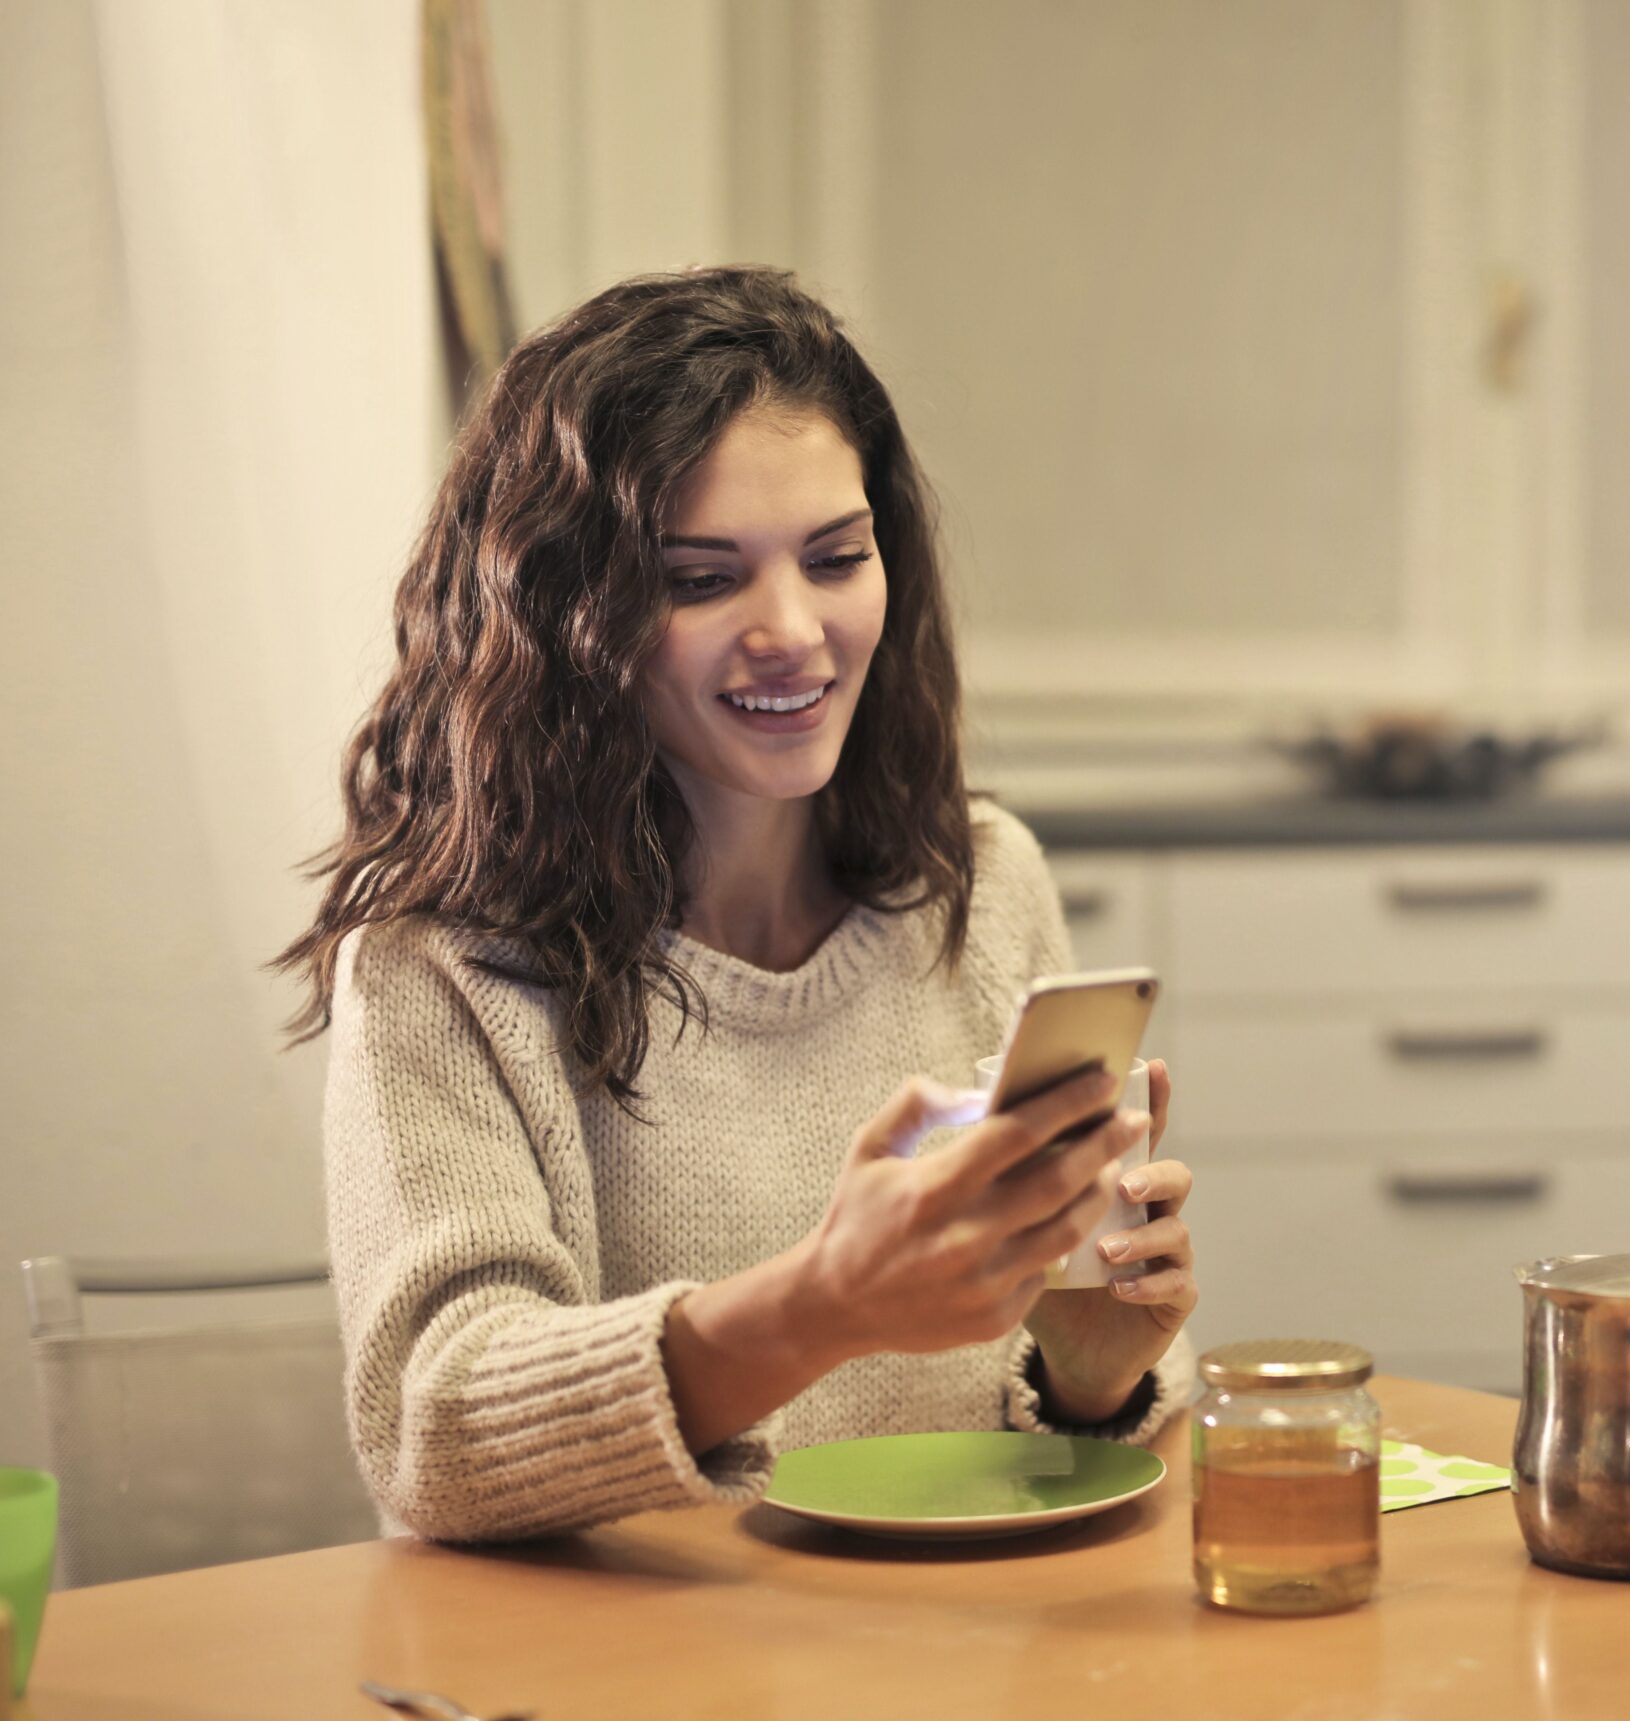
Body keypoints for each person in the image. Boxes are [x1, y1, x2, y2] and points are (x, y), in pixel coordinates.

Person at [275, 266, 1199, 1542]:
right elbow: (441, 1439)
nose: (795, 632)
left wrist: (1086, 1367)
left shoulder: (980, 889)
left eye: (836, 558)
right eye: (701, 579)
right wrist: (824, 1302)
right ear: (565, 614)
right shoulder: (439, 969)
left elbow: (1050, 1443)